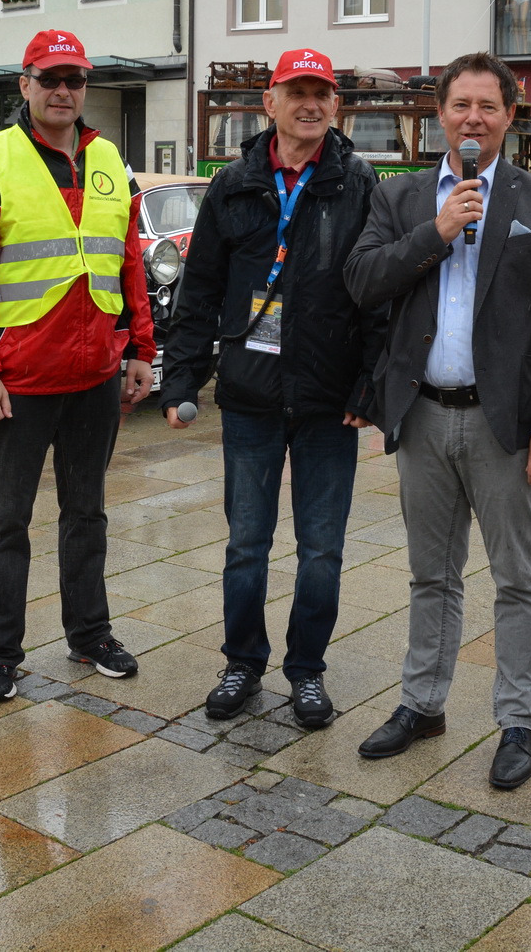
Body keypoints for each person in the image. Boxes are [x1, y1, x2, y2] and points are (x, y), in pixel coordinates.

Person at [344, 51, 531, 790]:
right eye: (461, 105)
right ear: (440, 114)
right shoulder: (402, 195)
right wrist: (439, 230)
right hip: (422, 416)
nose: (473, 119)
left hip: (504, 425)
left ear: (510, 116)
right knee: (431, 575)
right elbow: (363, 280)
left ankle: (518, 719)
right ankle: (423, 703)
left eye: (488, 106)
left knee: (518, 578)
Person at [161, 48, 385, 729]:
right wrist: (181, 378)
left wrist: (369, 386)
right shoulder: (234, 184)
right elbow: (199, 289)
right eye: (296, 92)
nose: (309, 105)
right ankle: (242, 662)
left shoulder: (359, 183)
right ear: (270, 101)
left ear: (336, 105)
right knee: (245, 546)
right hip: (251, 396)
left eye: (321, 93)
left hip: (328, 401)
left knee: (321, 550)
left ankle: (307, 670)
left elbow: (378, 296)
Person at [0, 29, 156, 702]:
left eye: (75, 80)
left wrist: (141, 349)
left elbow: (129, 263)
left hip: (95, 376)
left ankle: (90, 633)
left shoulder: (110, 161)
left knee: (87, 513)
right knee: (6, 520)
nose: (63, 91)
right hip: (20, 381)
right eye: (51, 78)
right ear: (25, 84)